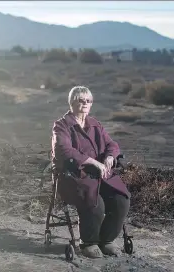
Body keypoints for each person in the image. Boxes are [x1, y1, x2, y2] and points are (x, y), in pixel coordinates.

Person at [51, 86, 131, 259]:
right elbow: (64, 150)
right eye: (81, 100)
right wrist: (94, 162)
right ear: (72, 102)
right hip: (72, 176)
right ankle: (88, 242)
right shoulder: (62, 126)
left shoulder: (95, 124)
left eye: (88, 101)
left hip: (99, 175)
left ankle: (106, 240)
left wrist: (110, 157)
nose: (85, 103)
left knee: (121, 199)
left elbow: (112, 145)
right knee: (96, 202)